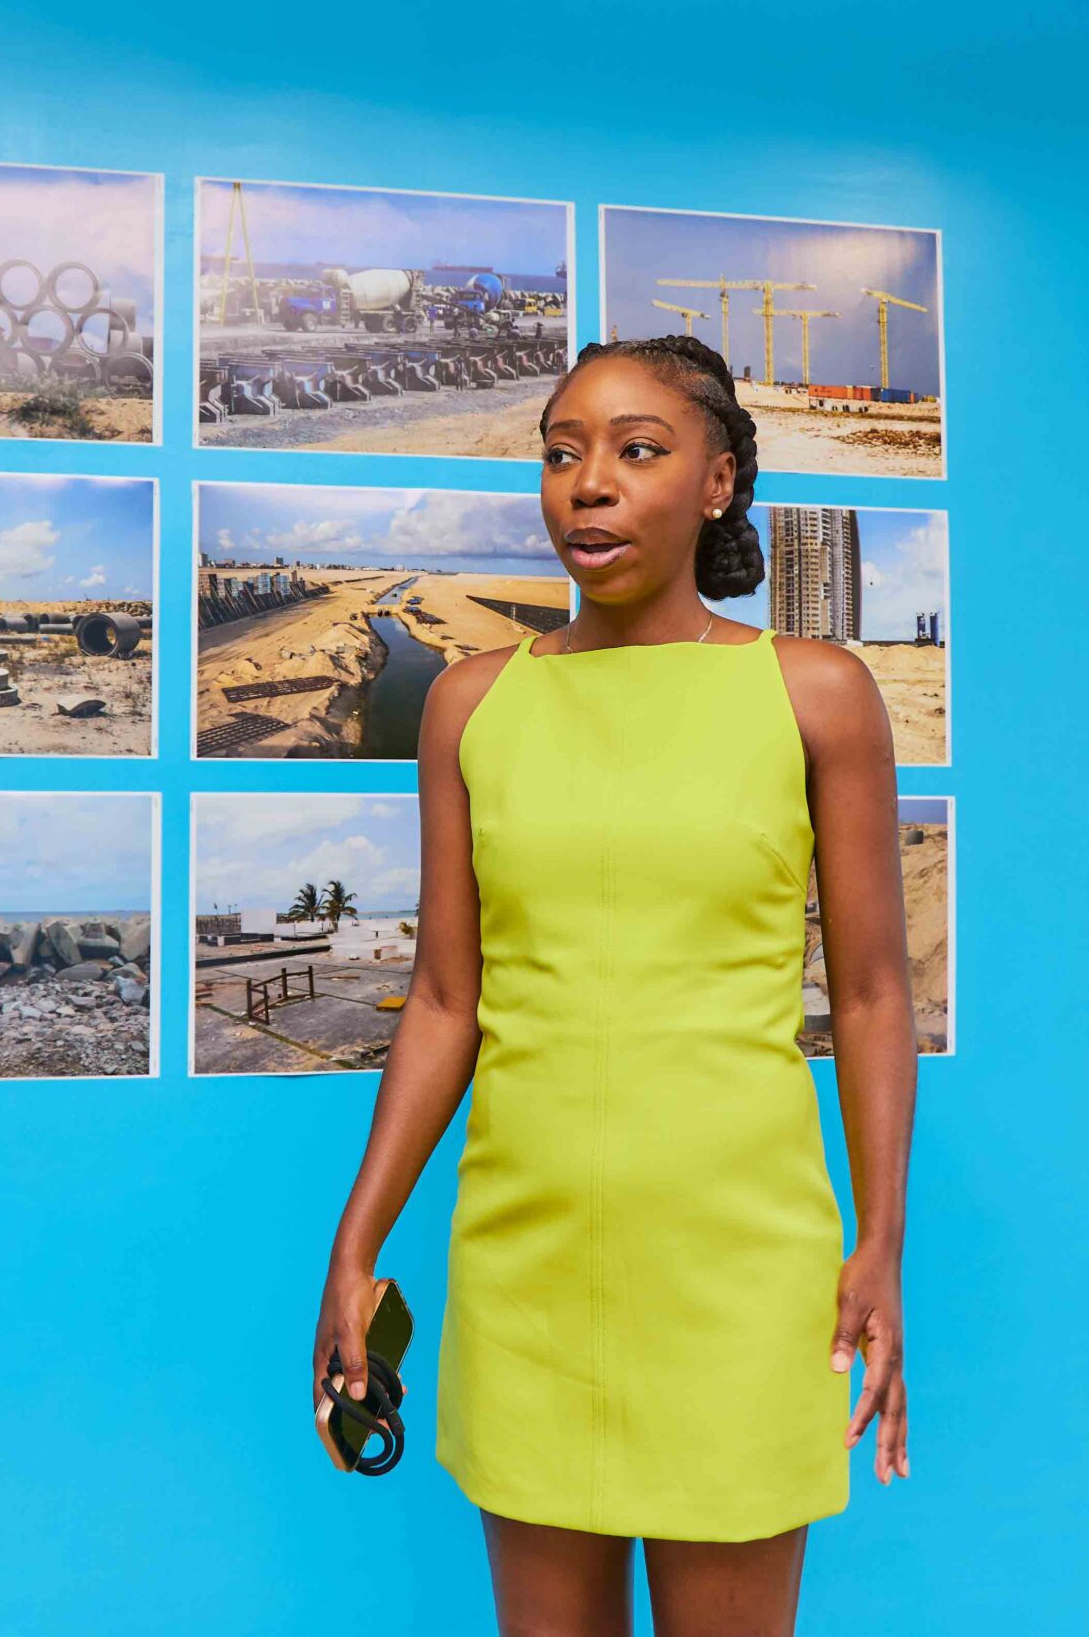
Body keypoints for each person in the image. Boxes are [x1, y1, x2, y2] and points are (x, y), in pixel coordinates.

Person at [314, 333, 917, 1636]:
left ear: (718, 482)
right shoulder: (470, 706)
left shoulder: (815, 695)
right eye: (562, 452)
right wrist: (356, 1244)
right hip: (528, 1274)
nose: (588, 482)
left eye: (638, 450)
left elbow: (873, 996)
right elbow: (444, 1003)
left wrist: (880, 1243)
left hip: (740, 1277)